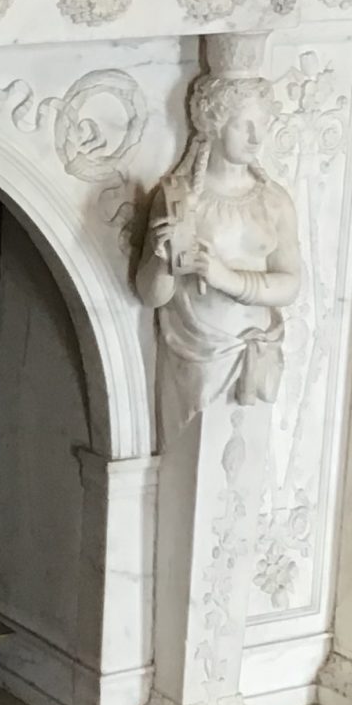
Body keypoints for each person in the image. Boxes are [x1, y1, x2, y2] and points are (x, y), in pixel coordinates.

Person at [134, 70, 301, 436]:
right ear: (214, 123)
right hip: (199, 351)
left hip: (257, 349)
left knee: (243, 450)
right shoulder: (181, 198)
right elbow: (151, 296)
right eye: (244, 126)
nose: (256, 137)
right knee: (192, 453)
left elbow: (290, 285)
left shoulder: (275, 201)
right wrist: (163, 261)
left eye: (262, 124)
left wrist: (226, 278)